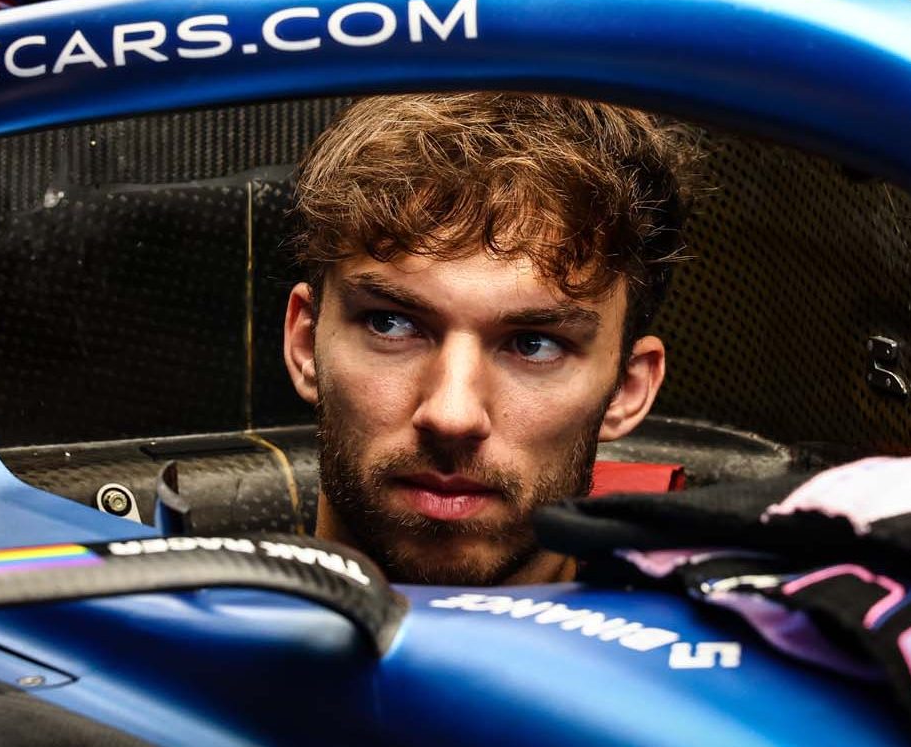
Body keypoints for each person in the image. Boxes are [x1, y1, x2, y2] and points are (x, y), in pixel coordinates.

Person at [280, 92, 702, 586]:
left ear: (626, 390)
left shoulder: (729, 656)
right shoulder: (176, 644)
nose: (451, 416)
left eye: (533, 345)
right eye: (390, 324)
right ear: (305, 343)